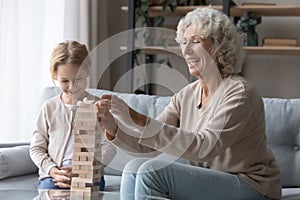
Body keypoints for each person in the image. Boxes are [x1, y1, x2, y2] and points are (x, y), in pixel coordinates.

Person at [96, 7, 281, 200]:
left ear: (219, 46)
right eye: (184, 42)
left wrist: (137, 117)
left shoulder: (240, 93)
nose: (185, 50)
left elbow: (204, 147)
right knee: (133, 169)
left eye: (195, 41)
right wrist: (113, 128)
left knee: (152, 172)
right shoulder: (187, 95)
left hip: (252, 186)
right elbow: (148, 146)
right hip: (213, 180)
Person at [30, 40, 116, 191]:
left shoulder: (98, 106)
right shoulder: (49, 108)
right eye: (64, 81)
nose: (72, 86)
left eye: (78, 79)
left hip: (90, 175)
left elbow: (109, 146)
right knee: (53, 192)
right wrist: (52, 170)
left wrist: (87, 170)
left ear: (88, 71)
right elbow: (36, 148)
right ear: (55, 76)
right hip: (54, 177)